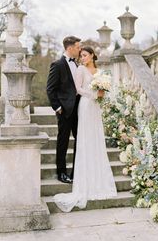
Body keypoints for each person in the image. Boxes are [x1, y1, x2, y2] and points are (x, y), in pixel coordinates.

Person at [54, 46, 117, 212]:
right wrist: (93, 95)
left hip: (96, 108)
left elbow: (105, 89)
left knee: (96, 139)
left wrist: (102, 93)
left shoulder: (100, 71)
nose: (82, 58)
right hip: (86, 104)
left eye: (85, 55)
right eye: (81, 55)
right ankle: (85, 181)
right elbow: (78, 89)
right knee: (86, 139)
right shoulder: (80, 69)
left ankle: (99, 179)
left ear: (92, 55)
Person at [47, 36, 81, 184]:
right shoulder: (57, 64)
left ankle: (76, 171)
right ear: (70, 48)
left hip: (79, 109)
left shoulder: (77, 64)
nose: (79, 50)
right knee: (63, 141)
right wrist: (58, 107)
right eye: (78, 47)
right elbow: (50, 89)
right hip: (65, 111)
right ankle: (61, 173)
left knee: (80, 141)